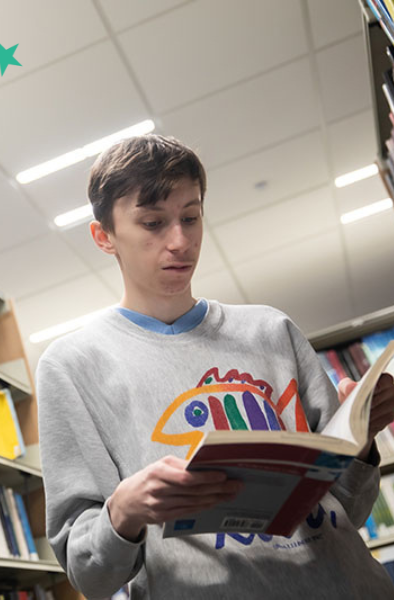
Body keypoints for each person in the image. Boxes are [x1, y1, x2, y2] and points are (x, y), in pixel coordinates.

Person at [35, 134, 394, 599]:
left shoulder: (271, 330)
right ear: (104, 236)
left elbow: (349, 508)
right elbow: (91, 576)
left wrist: (361, 444)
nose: (180, 241)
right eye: (153, 223)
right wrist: (122, 511)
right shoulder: (71, 366)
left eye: (191, 217)